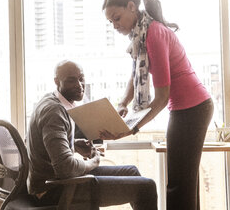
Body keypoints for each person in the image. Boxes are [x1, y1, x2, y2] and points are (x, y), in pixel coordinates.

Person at [101, 0, 214, 210]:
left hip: (193, 108)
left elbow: (162, 97)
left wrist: (131, 128)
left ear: (132, 7)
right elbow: (135, 75)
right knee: (182, 182)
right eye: (110, 22)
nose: (114, 25)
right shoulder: (140, 34)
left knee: (180, 184)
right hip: (184, 108)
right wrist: (123, 103)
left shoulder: (153, 34)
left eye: (117, 18)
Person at [26, 60, 157, 209]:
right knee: (147, 187)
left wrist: (72, 145)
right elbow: (66, 169)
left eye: (81, 78)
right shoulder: (54, 111)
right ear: (57, 81)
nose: (79, 84)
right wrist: (94, 161)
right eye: (71, 80)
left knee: (132, 171)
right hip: (53, 190)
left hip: (59, 182)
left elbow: (41, 145)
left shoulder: (51, 101)